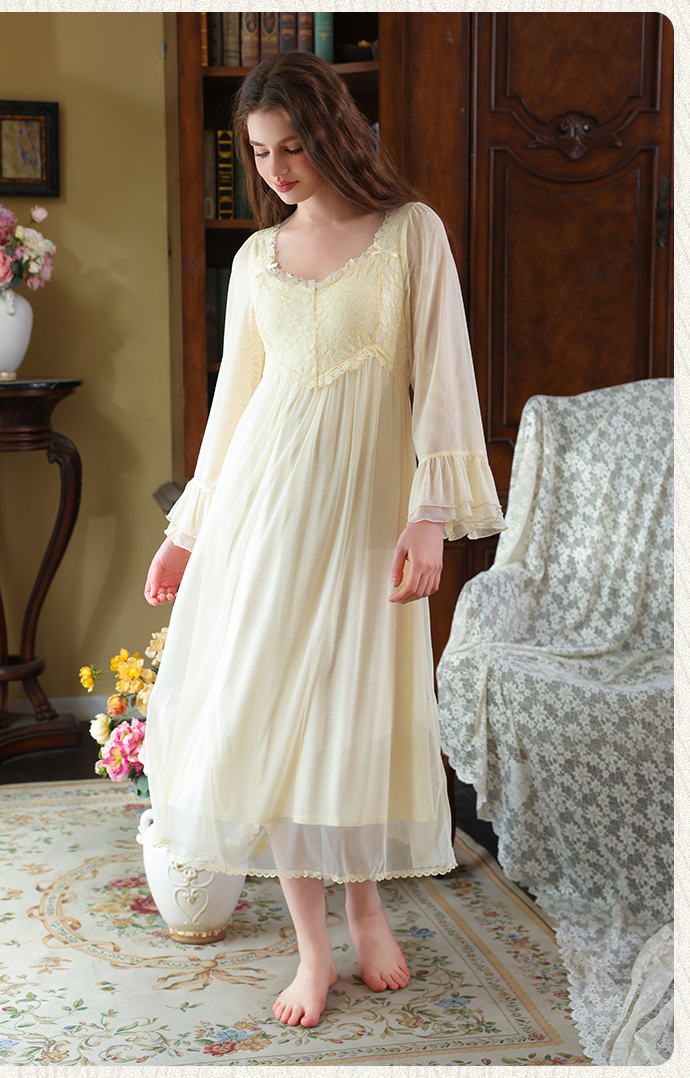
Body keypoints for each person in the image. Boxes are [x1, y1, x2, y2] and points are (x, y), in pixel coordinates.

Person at [143, 51, 505, 1029]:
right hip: (262, 516)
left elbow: (444, 378)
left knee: (354, 714)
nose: (276, 170)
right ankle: (312, 950)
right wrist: (187, 534)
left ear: (336, 134)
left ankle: (367, 912)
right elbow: (233, 406)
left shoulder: (411, 233)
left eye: (293, 147)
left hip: (366, 516)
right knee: (274, 720)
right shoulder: (256, 258)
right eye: (260, 152)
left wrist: (429, 516)